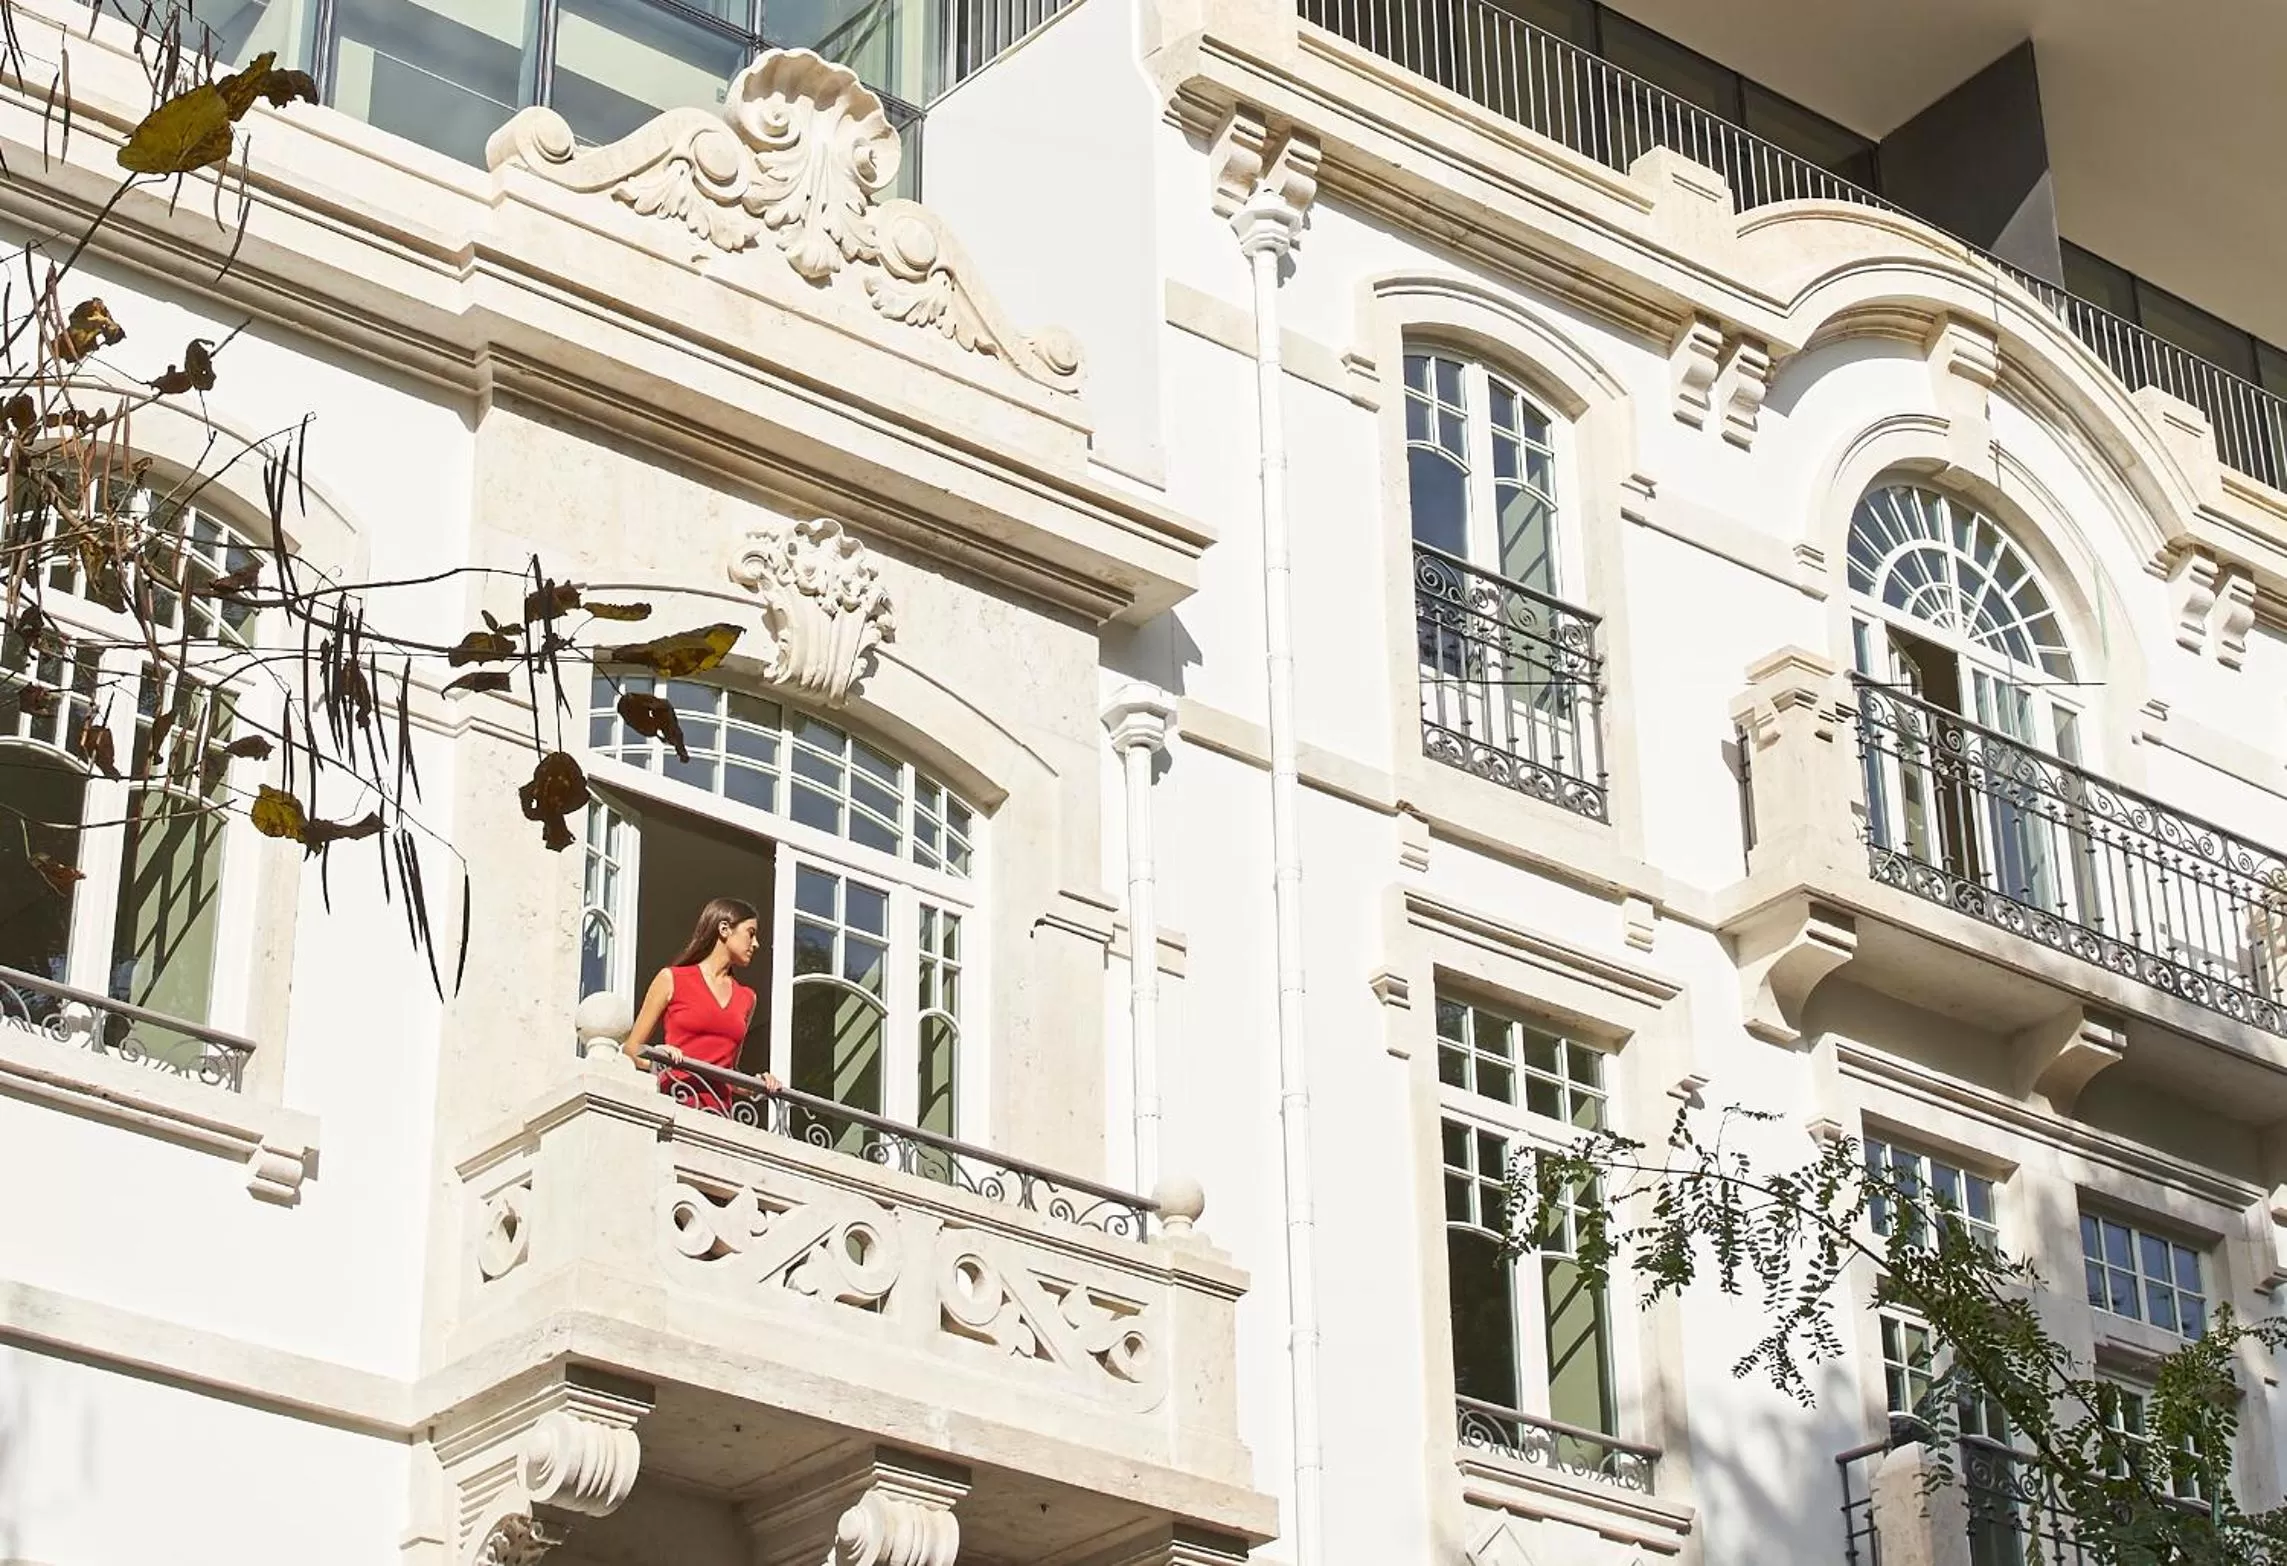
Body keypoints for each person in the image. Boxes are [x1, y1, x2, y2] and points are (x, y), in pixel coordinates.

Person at [621, 896, 781, 1112]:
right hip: (674, 1107)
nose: (756, 944)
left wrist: (758, 1085)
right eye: (750, 933)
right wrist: (659, 1061)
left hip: (718, 1116)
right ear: (724, 929)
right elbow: (630, 1050)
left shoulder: (747, 997)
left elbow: (729, 1071)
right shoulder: (671, 978)